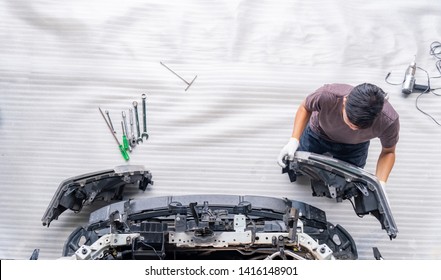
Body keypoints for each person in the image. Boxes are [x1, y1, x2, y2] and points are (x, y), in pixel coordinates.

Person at [277, 83, 399, 187]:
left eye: (359, 127)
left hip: (355, 146)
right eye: (350, 122)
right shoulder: (327, 95)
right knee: (296, 162)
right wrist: (294, 139)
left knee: (350, 180)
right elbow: (305, 107)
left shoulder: (388, 120)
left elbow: (388, 152)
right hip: (318, 133)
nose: (352, 129)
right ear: (345, 101)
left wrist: (380, 183)